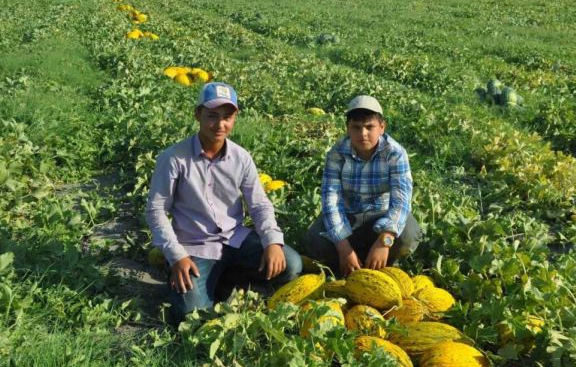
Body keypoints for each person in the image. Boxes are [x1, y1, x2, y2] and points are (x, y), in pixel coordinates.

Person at [145, 82, 302, 323]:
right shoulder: (174, 158)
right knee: (192, 316)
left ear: (235, 117)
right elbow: (156, 211)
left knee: (290, 264)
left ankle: (226, 276)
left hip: (235, 239)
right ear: (198, 114)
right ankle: (196, 279)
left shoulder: (240, 157)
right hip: (195, 247)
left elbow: (259, 205)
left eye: (227, 117)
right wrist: (176, 255)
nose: (220, 125)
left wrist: (272, 241)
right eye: (212, 116)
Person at [303, 95, 422, 277]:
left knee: (408, 234)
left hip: (382, 214)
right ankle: (350, 261)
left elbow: (401, 202)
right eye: (356, 128)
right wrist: (343, 247)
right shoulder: (337, 154)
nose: (363, 133)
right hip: (350, 215)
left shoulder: (395, 154)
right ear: (347, 129)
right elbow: (331, 202)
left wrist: (385, 240)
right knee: (315, 239)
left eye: (369, 127)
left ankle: (381, 263)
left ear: (382, 128)